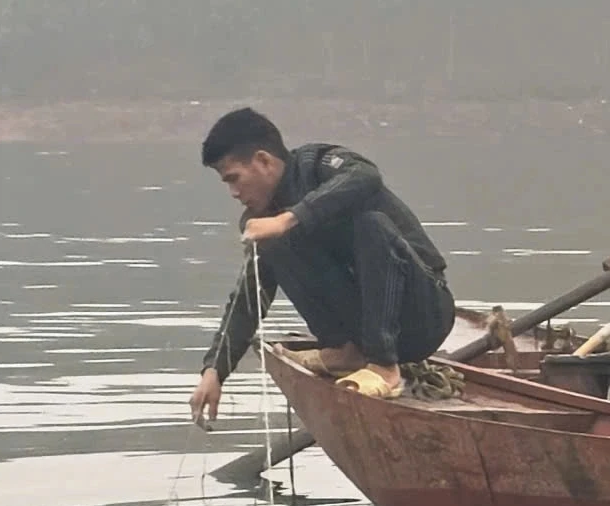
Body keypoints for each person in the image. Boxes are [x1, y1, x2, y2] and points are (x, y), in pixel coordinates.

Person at [186, 108, 453, 426]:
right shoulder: (262, 221)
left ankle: (384, 368)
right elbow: (248, 298)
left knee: (372, 225)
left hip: (424, 313)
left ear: (264, 161)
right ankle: (344, 350)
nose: (233, 192)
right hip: (365, 329)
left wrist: (289, 219)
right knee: (274, 244)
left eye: (234, 178)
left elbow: (367, 176)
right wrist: (215, 371)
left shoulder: (319, 166)